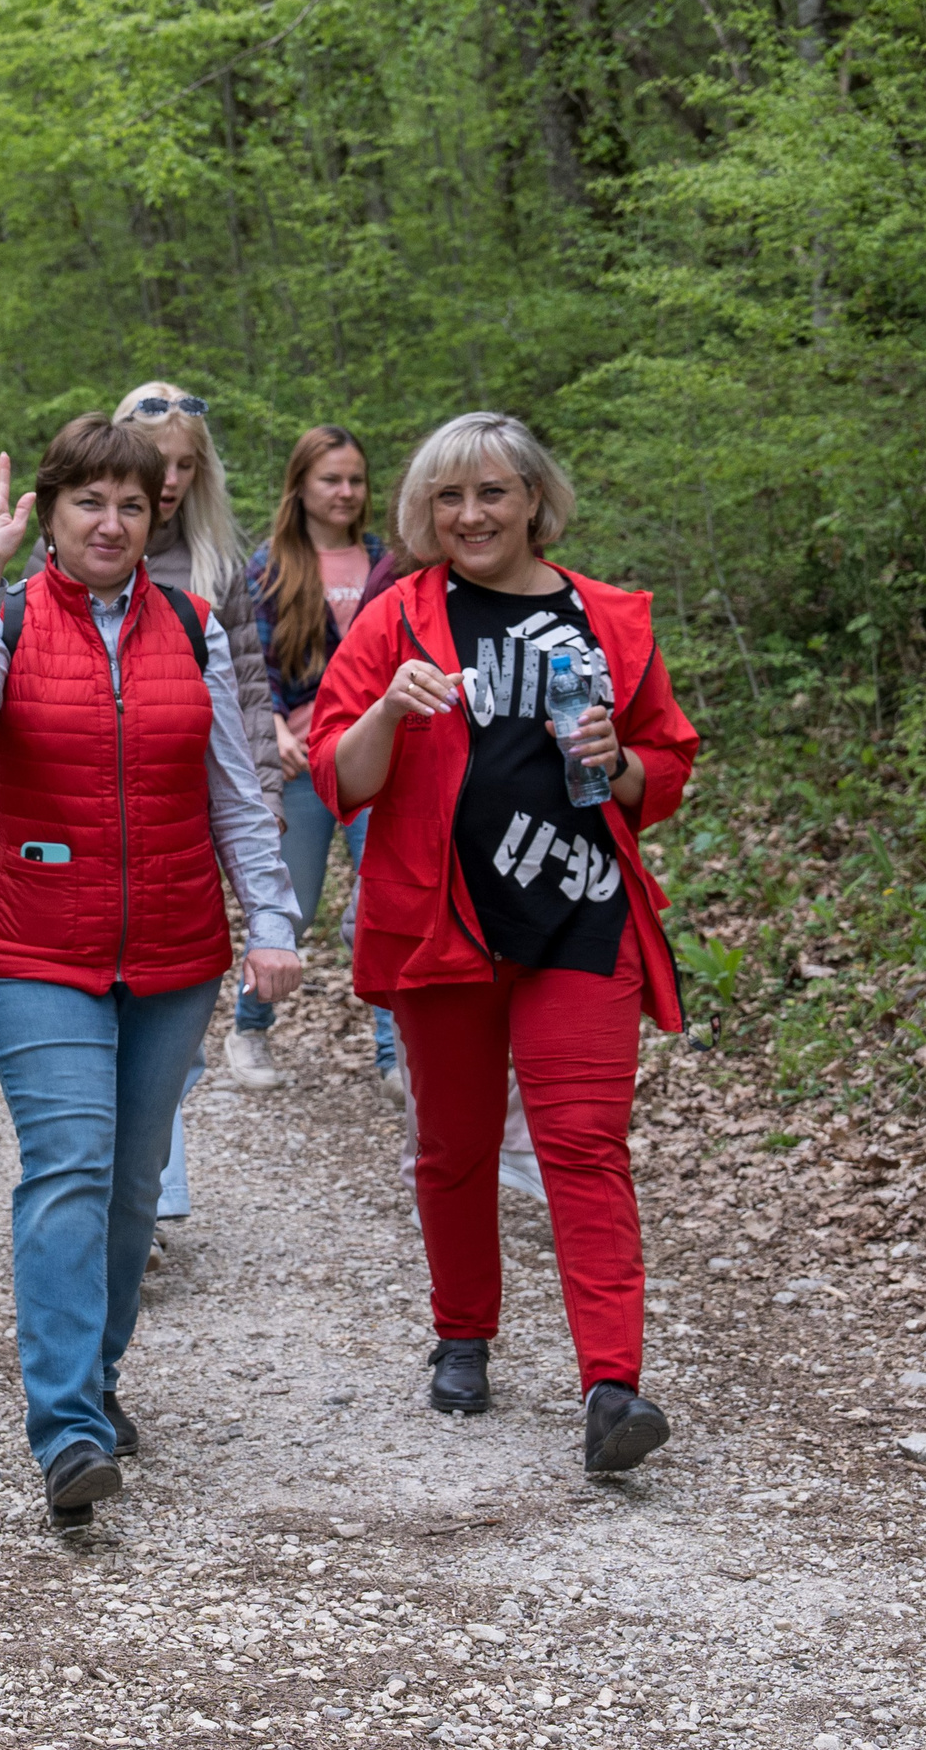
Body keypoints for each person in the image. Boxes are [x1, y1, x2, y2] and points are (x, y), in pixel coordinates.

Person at [0, 423, 301, 1526]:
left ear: (157, 519)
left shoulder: (189, 625)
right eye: (87, 501)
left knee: (134, 1191)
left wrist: (270, 917)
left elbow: (235, 785)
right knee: (70, 1165)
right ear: (49, 513)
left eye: (131, 507)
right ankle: (68, 1433)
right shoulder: (3, 613)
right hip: (34, 943)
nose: (109, 523)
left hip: (175, 949)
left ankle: (97, 1378)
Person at [310, 411, 697, 1474]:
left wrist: (618, 761)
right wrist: (389, 708)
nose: (470, 515)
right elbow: (339, 775)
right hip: (445, 923)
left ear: (533, 499)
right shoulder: (399, 618)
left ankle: (612, 1387)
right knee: (454, 1144)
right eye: (447, 497)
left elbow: (664, 766)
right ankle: (463, 1334)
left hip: (580, 913)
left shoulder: (606, 618)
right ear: (422, 514)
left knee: (582, 1147)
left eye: (490, 493)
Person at [93, 384, 287, 1254]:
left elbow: (250, 693)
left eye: (185, 464)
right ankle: (122, 1188)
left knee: (171, 1005)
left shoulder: (216, 566)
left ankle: (151, 1192)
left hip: (193, 809)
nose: (168, 481)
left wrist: (265, 809)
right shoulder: (86, 545)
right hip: (100, 814)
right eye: (156, 461)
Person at [225, 424, 401, 1093]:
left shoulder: (390, 565)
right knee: (289, 907)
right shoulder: (270, 565)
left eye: (355, 479)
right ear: (299, 485)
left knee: (384, 902)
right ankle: (249, 1026)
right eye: (331, 479)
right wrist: (272, 728)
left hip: (377, 756)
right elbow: (251, 665)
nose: (346, 492)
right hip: (299, 760)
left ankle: (394, 1055)